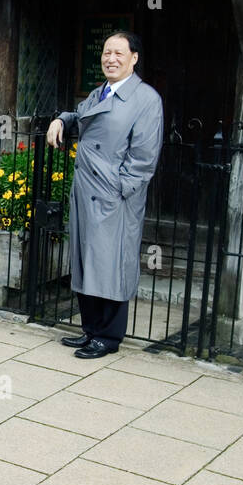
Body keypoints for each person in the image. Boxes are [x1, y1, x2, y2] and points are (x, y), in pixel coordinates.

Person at [46, 31, 163, 359]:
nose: (111, 59)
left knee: (112, 264)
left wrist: (120, 190)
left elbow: (143, 158)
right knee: (86, 261)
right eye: (106, 53)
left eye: (118, 53)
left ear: (134, 58)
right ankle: (91, 330)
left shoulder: (146, 100)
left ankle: (108, 337)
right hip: (86, 191)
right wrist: (60, 119)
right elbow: (80, 119)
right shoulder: (99, 93)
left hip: (114, 197)